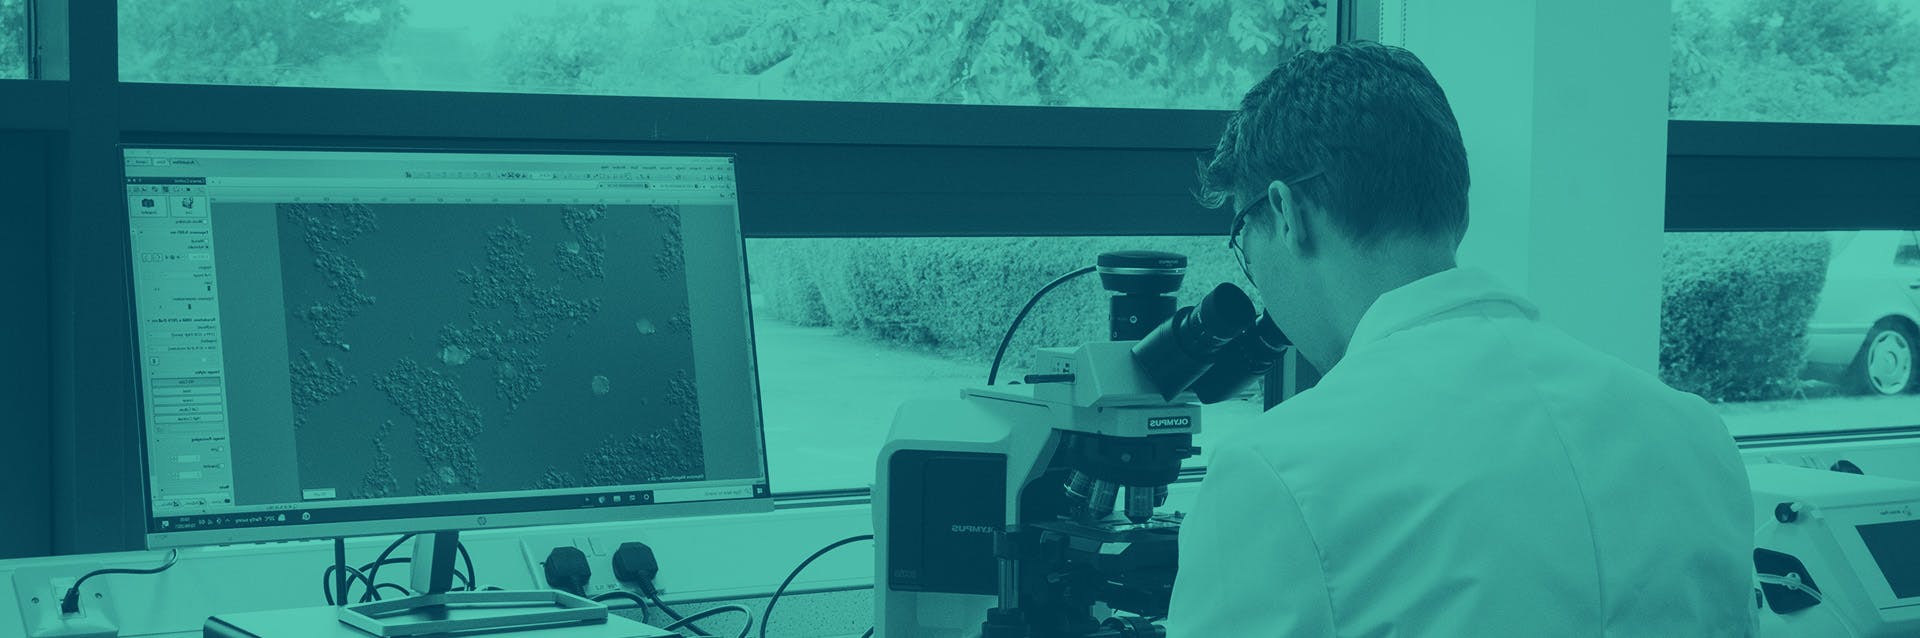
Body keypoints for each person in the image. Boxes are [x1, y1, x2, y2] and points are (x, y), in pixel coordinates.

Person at [1166, 42, 1754, 636]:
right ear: (1460, 210)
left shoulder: (1276, 474)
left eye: (1244, 241)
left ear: (1287, 215)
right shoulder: (1693, 433)